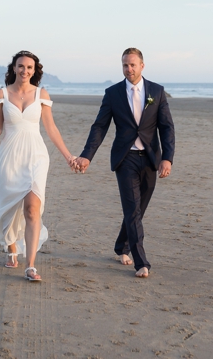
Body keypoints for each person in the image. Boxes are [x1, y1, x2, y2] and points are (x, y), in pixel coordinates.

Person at [0, 51, 78, 282]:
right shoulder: (2, 94)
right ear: (13, 68)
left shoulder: (41, 94)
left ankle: (30, 265)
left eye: (29, 67)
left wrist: (68, 156)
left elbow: (51, 129)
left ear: (35, 70)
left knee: (32, 207)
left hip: (36, 155)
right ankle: (11, 248)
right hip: (10, 155)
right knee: (8, 205)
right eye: (21, 66)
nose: (25, 71)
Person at [75, 48, 175, 278]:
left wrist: (167, 158)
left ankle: (121, 246)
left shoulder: (157, 92)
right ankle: (141, 262)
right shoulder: (113, 93)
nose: (128, 69)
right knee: (131, 210)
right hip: (125, 158)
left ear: (142, 65)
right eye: (124, 65)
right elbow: (100, 127)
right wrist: (87, 155)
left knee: (138, 210)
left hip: (150, 159)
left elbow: (167, 127)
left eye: (132, 65)